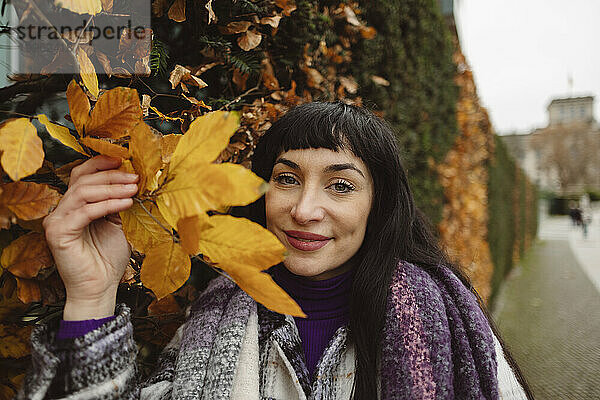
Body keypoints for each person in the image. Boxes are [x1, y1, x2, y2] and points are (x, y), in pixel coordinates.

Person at [18, 102, 531, 399]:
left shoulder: (446, 322)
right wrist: (92, 295)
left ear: (381, 205)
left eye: (341, 186)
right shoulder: (215, 318)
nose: (305, 210)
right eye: (286, 179)